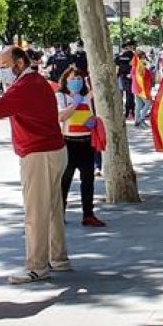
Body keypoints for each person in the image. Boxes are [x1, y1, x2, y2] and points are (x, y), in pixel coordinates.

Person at [0, 46, 71, 284]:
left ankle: (36, 266)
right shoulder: (37, 81)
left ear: (19, 64)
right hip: (54, 150)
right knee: (52, 208)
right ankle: (58, 258)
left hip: (38, 154)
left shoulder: (23, 86)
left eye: (2, 67)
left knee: (36, 212)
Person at [56, 66, 105, 227]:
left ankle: (88, 215)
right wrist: (74, 105)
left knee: (88, 181)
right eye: (72, 79)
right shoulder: (61, 96)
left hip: (86, 143)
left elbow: (92, 114)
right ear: (65, 80)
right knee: (65, 181)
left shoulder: (87, 97)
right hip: (68, 143)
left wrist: (93, 122)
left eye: (79, 79)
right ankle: (59, 214)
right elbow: (61, 117)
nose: (76, 82)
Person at [131, 50, 154, 128]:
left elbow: (132, 75)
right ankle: (141, 119)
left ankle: (137, 121)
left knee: (138, 105)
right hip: (142, 88)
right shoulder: (140, 65)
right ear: (142, 56)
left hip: (136, 88)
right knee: (148, 103)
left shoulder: (134, 65)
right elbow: (144, 77)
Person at [115, 41, 135, 120]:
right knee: (130, 95)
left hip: (122, 77)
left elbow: (117, 64)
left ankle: (124, 112)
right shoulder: (133, 55)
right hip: (131, 77)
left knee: (123, 95)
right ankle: (130, 111)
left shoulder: (120, 56)